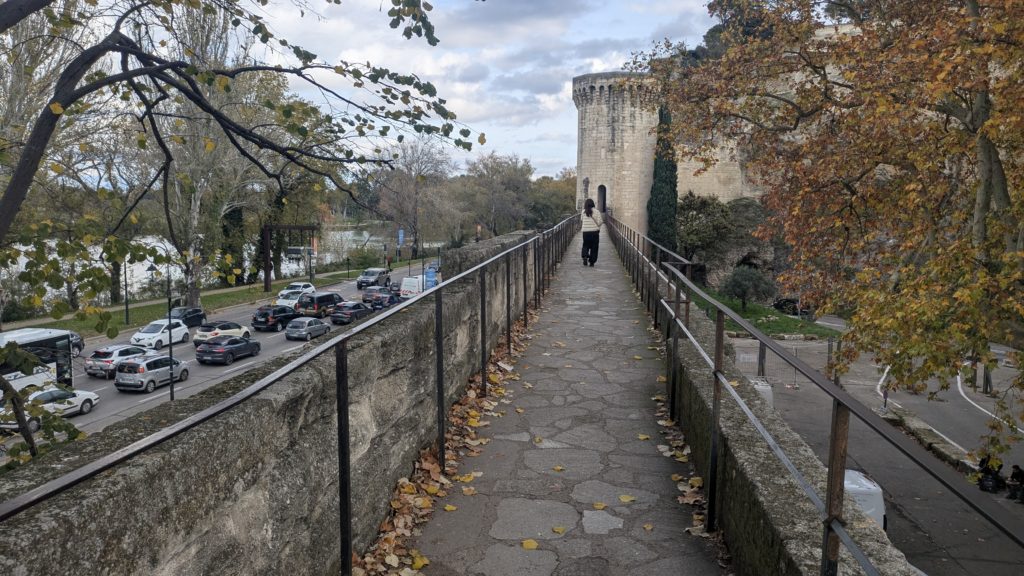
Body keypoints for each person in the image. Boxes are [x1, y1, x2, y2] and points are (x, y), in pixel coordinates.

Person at [581, 198, 603, 266]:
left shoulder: (583, 212)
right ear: (593, 204)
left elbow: (581, 220)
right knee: (594, 247)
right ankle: (592, 262)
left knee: (585, 245)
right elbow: (600, 222)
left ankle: (585, 256)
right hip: (594, 232)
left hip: (585, 232)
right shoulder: (597, 211)